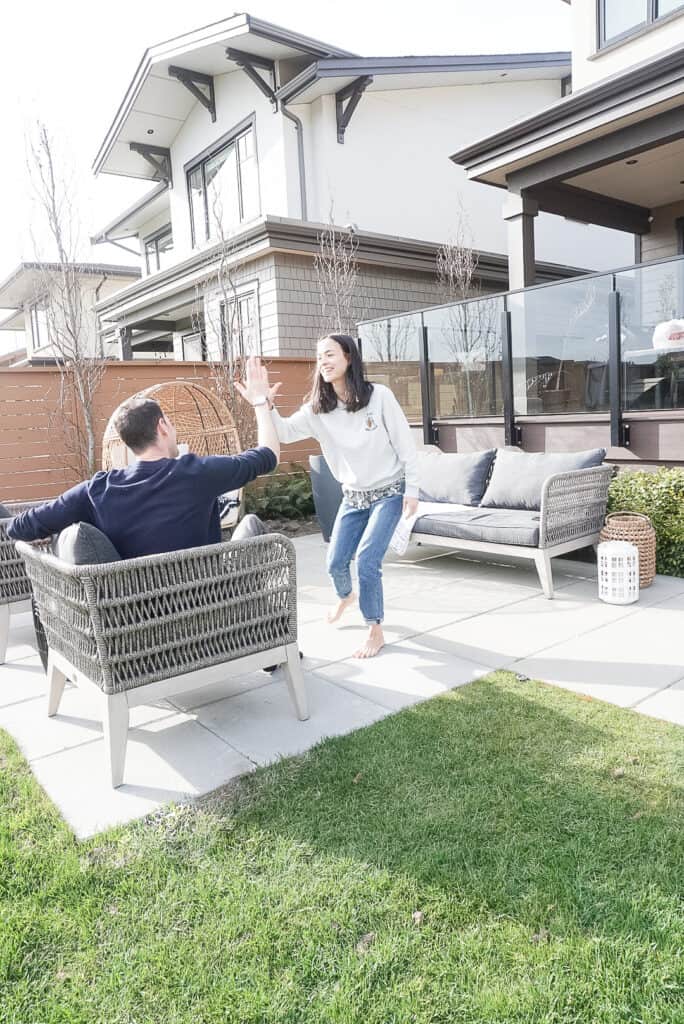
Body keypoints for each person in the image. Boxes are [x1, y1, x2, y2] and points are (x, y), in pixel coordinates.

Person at [8, 358, 279, 556]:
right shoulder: (197, 471)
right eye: (171, 424)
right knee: (251, 527)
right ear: (162, 426)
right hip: (207, 610)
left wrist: (51, 537)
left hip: (136, 621)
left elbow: (19, 527)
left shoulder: (98, 489)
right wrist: (260, 404)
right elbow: (268, 456)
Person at [263, 333, 419, 659]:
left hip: (389, 491)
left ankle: (375, 629)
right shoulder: (318, 410)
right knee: (335, 562)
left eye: (330, 354)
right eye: (319, 357)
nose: (324, 362)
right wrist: (267, 405)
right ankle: (345, 597)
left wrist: (413, 490)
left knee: (366, 560)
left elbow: (406, 445)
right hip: (354, 496)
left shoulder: (379, 397)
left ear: (349, 357)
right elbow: (286, 432)